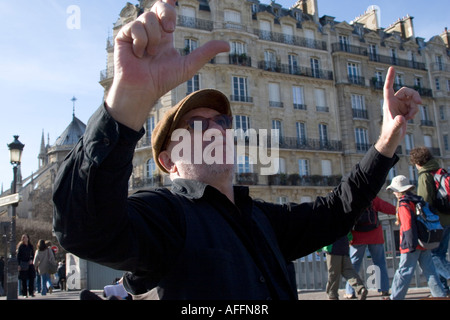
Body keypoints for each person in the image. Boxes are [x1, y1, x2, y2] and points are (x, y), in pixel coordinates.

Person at [52, 0, 421, 300]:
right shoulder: (167, 214)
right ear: (168, 161)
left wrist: (386, 141)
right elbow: (84, 227)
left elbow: (337, 210)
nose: (216, 129)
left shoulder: (261, 219)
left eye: (222, 122)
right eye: (197, 125)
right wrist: (126, 104)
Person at [385, 175, 447, 299]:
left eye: (394, 190)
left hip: (411, 243)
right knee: (430, 272)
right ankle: (440, 295)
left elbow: (407, 225)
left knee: (403, 272)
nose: (394, 193)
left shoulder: (404, 203)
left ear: (398, 191)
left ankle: (395, 297)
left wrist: (409, 244)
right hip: (424, 241)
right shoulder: (419, 200)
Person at [410, 146, 450, 294]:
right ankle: (444, 291)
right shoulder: (440, 171)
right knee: (440, 255)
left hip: (436, 223)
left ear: (417, 162)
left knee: (433, 256)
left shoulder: (425, 175)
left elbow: (425, 201)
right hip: (447, 219)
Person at [344, 196, 396, 298]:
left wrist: (348, 235)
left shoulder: (351, 198)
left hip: (357, 236)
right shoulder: (372, 197)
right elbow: (385, 207)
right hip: (375, 235)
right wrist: (399, 211)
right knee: (380, 263)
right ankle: (384, 289)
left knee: (354, 265)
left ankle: (350, 291)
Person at [323, 233, 368, 300]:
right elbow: (348, 232)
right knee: (348, 270)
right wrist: (349, 238)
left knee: (333, 273)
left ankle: (332, 294)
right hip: (344, 245)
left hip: (332, 247)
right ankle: (360, 288)